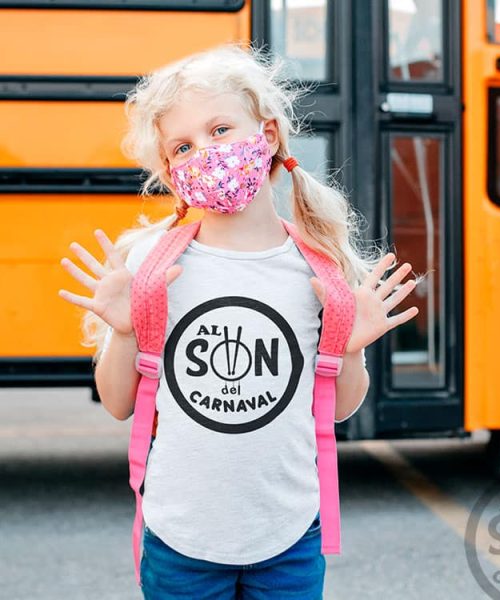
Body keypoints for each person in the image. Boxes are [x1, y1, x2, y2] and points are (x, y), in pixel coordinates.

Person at [58, 42, 419, 600]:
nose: (204, 152)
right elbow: (118, 401)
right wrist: (124, 329)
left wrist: (348, 348)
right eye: (182, 146)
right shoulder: (152, 265)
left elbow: (341, 405)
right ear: (170, 173)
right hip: (180, 542)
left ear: (268, 135)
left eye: (220, 130)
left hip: (289, 539)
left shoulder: (319, 265)